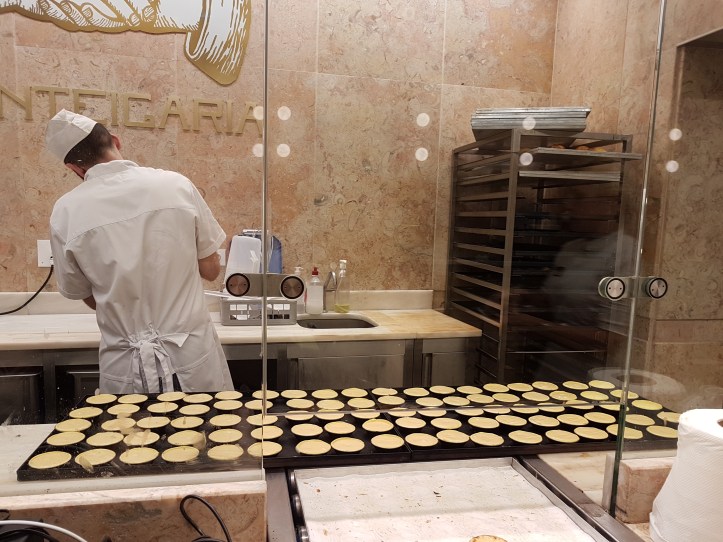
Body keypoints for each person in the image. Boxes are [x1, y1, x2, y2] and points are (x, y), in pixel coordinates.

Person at [46, 109, 233, 394]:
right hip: (191, 358)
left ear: (74, 168)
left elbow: (86, 295)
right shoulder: (176, 185)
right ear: (115, 140)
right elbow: (210, 269)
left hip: (126, 368)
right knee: (203, 422)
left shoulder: (65, 212)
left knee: (132, 425)